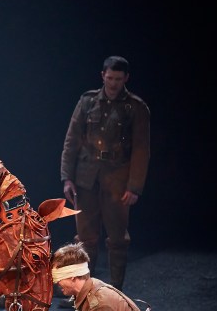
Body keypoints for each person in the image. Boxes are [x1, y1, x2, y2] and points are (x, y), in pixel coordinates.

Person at [60, 56, 150, 291]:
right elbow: (72, 140)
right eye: (109, 78)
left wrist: (134, 186)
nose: (113, 83)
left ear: (126, 79)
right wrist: (67, 177)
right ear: (103, 76)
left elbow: (141, 150)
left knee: (118, 239)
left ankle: (116, 290)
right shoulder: (88, 102)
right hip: (86, 178)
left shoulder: (135, 108)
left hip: (117, 180)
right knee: (85, 238)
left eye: (118, 79)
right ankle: (84, 290)